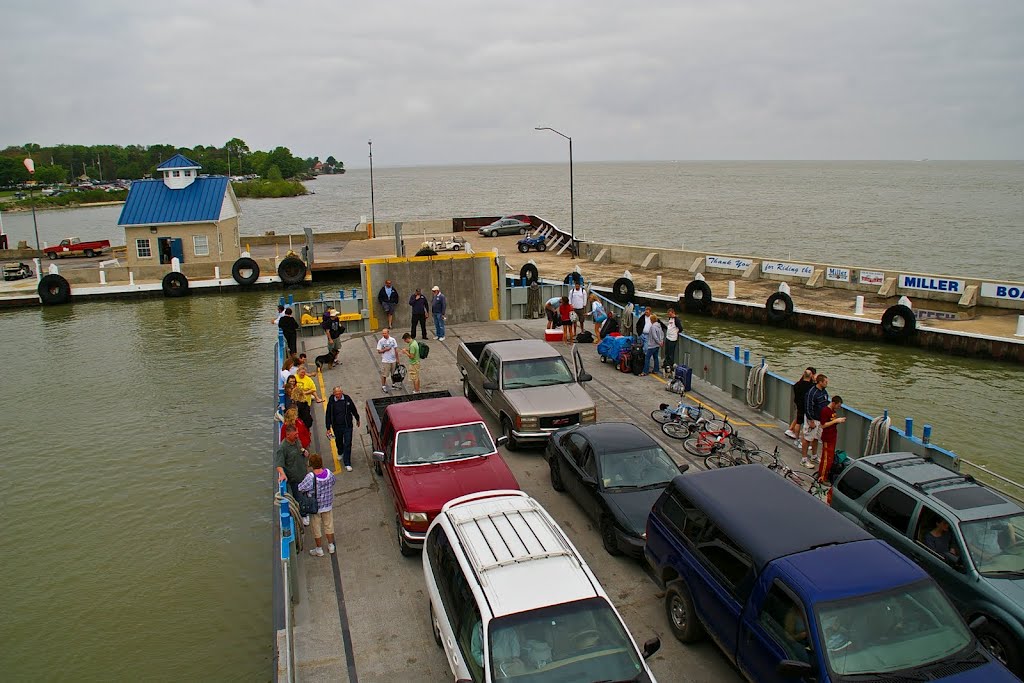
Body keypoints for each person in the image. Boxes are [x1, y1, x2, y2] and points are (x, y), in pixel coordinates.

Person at [297, 453, 337, 556]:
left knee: (316, 527)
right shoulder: (329, 473)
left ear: (311, 464)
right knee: (329, 525)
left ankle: (319, 549)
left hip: (316, 507)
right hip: (327, 505)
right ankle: (331, 546)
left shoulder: (310, 477)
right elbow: (333, 481)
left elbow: (300, 488)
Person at [275, 424, 310, 525]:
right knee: (299, 497)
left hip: (303, 475)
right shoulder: (283, 448)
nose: (297, 436)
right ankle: (303, 515)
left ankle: (306, 511)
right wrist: (282, 474)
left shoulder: (297, 441)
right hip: (294, 479)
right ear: (288, 435)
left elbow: (300, 449)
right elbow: (279, 465)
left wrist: (304, 452)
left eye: (297, 434)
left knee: (305, 495)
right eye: (295, 434)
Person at [325, 386, 360, 472]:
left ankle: (347, 463)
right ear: (334, 394)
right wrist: (328, 427)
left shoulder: (347, 399)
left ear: (342, 392)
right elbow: (328, 414)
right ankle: (340, 452)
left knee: (348, 443)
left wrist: (357, 418)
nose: (338, 395)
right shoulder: (331, 401)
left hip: (347, 425)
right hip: (336, 426)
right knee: (339, 441)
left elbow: (353, 409)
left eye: (339, 393)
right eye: (336, 393)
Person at [801, 374, 830, 469]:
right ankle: (804, 459)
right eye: (825, 382)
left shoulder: (824, 392)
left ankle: (814, 456)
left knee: (816, 438)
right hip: (812, 419)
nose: (827, 383)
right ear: (820, 382)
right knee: (807, 438)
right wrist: (811, 420)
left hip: (820, 420)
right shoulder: (812, 393)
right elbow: (808, 407)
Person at [817, 395, 845, 484]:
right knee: (826, 458)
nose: (838, 408)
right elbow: (823, 425)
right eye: (838, 406)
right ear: (833, 403)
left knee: (830, 458)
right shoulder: (825, 411)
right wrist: (836, 421)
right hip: (827, 437)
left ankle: (825, 475)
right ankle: (822, 477)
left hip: (832, 436)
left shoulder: (833, 411)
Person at [786, 367, 816, 442]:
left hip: (799, 404)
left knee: (799, 422)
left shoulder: (797, 384)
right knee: (806, 424)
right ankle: (803, 440)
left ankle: (796, 438)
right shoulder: (811, 386)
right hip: (806, 406)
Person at [294, 365, 323, 429]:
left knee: (306, 418)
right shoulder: (294, 378)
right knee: (297, 417)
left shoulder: (308, 380)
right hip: (297, 401)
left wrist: (305, 393)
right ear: (298, 372)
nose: (303, 374)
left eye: (304, 373)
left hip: (306, 402)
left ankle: (305, 429)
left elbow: (313, 389)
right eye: (301, 372)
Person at [376, 328, 399, 393]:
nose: (383, 334)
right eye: (383, 333)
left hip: (393, 360)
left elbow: (395, 350)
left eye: (385, 333)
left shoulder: (393, 340)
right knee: (384, 374)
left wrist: (397, 359)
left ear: (388, 333)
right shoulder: (381, 341)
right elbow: (379, 351)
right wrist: (385, 350)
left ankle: (394, 384)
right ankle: (383, 386)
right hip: (386, 360)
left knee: (393, 373)